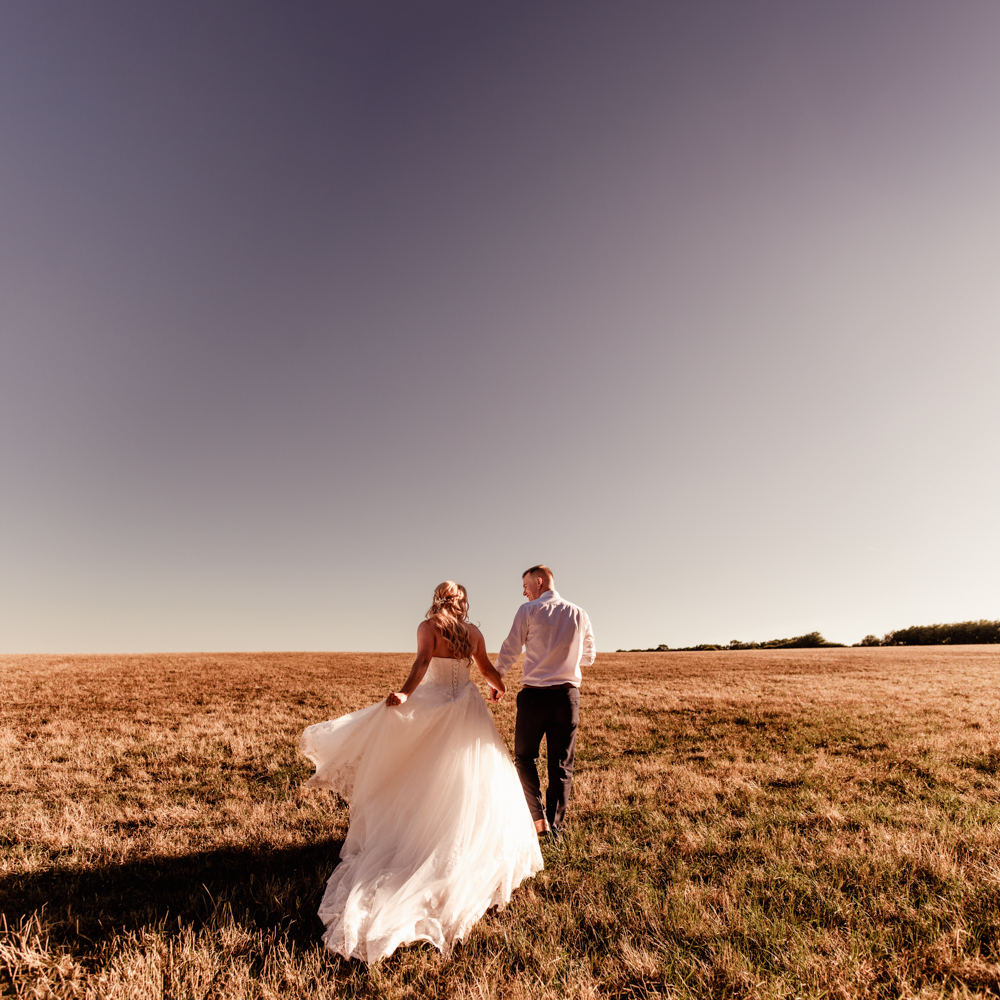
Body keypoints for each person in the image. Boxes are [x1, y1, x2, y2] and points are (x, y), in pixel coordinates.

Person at [299, 581, 543, 963]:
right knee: (467, 778)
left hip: (434, 706)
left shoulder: (428, 628)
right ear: (463, 603)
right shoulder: (473, 633)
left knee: (422, 776)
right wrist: (499, 687)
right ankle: (454, 838)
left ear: (436, 600)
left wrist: (406, 695)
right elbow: (487, 670)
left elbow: (422, 664)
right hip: (465, 706)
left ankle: (424, 838)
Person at [494, 565, 595, 841]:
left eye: (526, 585)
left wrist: (497, 679)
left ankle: (538, 821)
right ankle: (556, 829)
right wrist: (564, 658)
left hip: (534, 696)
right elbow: (589, 657)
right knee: (562, 765)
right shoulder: (579, 613)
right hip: (567, 697)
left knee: (524, 758)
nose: (524, 591)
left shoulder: (528, 610)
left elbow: (511, 648)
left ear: (539, 582)